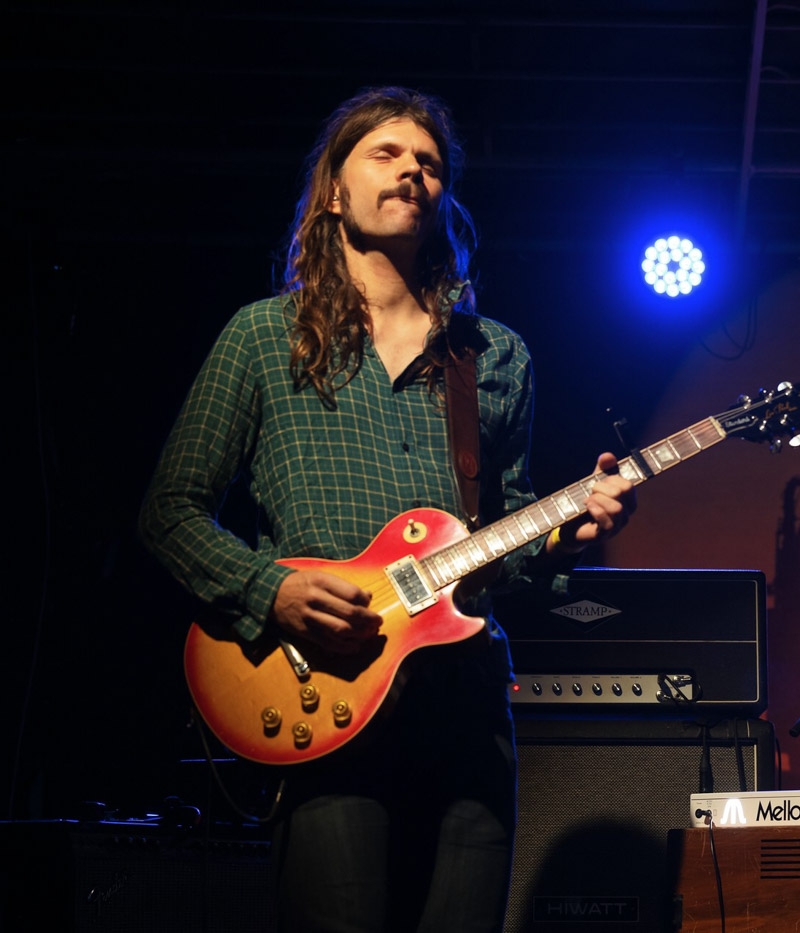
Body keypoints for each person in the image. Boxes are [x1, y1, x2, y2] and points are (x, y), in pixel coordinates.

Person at [139, 86, 635, 932]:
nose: (413, 170)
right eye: (387, 153)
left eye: (431, 163)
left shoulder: (495, 355)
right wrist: (271, 591)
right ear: (334, 190)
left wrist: (566, 537)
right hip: (326, 688)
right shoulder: (262, 336)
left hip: (465, 706)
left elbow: (506, 540)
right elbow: (169, 512)